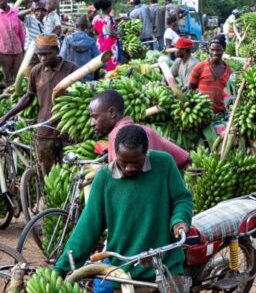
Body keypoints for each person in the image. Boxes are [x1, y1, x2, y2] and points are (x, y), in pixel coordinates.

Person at [54, 125, 193, 288]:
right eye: (124, 162)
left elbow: (181, 198)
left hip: (166, 267)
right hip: (124, 273)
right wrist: (60, 269)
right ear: (115, 154)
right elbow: (87, 227)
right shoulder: (104, 179)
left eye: (137, 162)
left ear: (146, 152)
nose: (130, 168)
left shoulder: (164, 164)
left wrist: (179, 220)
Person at [0, 34, 78, 175]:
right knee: (46, 173)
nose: (43, 58)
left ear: (57, 50)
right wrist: (6, 116)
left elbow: (80, 98)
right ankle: (44, 197)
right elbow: (29, 97)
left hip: (67, 131)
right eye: (40, 54)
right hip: (45, 131)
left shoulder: (71, 69)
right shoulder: (36, 70)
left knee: (69, 173)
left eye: (47, 54)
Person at [89, 90, 189, 168]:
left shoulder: (118, 136)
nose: (91, 124)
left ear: (111, 112)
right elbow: (184, 158)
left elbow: (120, 179)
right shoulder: (146, 130)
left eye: (95, 117)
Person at [189, 35, 231, 114]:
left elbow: (220, 89)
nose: (215, 53)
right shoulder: (199, 67)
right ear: (209, 50)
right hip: (201, 112)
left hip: (219, 112)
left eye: (218, 50)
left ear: (224, 50)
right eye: (212, 50)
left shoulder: (227, 70)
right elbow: (190, 89)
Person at [60, 15, 99, 81]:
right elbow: (98, 59)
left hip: (70, 77)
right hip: (87, 76)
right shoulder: (91, 41)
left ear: (76, 26)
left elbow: (62, 57)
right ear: (86, 27)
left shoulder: (68, 39)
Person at [0, 0, 25, 87]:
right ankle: (9, 96)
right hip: (3, 51)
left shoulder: (16, 12)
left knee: (19, 75)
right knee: (8, 77)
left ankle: (18, 93)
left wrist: (23, 47)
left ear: (6, 0)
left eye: (1, 0)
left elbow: (21, 31)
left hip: (18, 50)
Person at [92, 0, 122, 72]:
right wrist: (118, 35)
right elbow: (110, 33)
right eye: (111, 6)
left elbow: (96, 32)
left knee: (101, 60)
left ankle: (102, 75)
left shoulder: (96, 18)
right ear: (108, 8)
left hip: (99, 42)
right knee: (111, 61)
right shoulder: (109, 18)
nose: (111, 8)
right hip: (110, 44)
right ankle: (110, 76)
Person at [18, 2, 46, 77]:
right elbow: (19, 15)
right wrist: (30, 9)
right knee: (30, 76)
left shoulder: (44, 23)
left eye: (42, 11)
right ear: (34, 12)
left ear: (45, 12)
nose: (39, 13)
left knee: (39, 75)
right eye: (37, 11)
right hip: (31, 54)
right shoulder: (30, 20)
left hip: (41, 54)